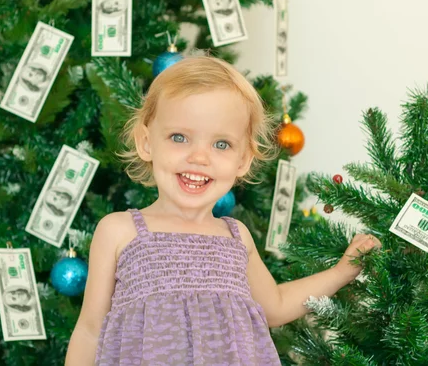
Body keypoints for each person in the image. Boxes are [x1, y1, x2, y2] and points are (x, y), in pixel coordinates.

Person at [65, 56, 381, 365]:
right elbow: (91, 331)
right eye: (179, 137)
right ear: (147, 142)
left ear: (243, 160)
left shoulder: (235, 236)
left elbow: (276, 306)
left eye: (221, 144)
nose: (199, 158)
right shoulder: (121, 231)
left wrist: (341, 273)